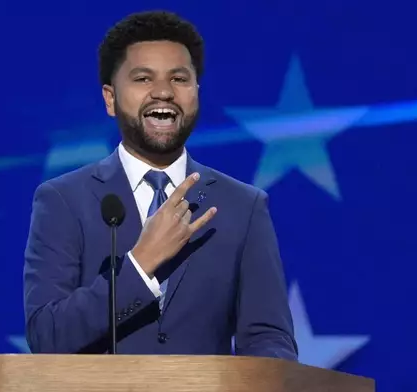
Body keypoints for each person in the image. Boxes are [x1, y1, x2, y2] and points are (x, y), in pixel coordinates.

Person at [23, 10, 298, 360]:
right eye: (143, 79)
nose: (164, 92)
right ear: (110, 99)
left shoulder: (244, 206)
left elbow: (268, 339)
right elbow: (47, 336)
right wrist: (139, 264)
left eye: (179, 79)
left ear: (196, 91)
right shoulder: (62, 200)